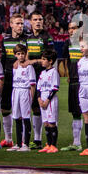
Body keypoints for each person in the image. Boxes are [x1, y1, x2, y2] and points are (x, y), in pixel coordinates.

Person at [23, 11, 54, 150]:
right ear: (30, 22)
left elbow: (49, 58)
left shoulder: (47, 37)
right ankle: (37, 139)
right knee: (35, 107)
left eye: (40, 19)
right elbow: (26, 54)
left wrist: (32, 61)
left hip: (44, 76)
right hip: (30, 75)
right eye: (35, 19)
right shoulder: (28, 38)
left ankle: (50, 141)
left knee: (45, 107)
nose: (38, 22)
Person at [0, 13, 27, 148]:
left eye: (21, 23)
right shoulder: (5, 41)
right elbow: (3, 60)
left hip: (21, 80)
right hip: (8, 77)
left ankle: (22, 139)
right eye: (17, 23)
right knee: (5, 108)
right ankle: (8, 138)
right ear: (11, 25)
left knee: (21, 110)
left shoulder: (27, 40)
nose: (20, 26)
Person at [7, 44, 36, 152]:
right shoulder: (15, 67)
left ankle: (26, 144)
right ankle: (18, 143)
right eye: (18, 54)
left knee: (26, 117)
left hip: (25, 91)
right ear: (15, 55)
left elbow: (33, 84)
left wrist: (31, 98)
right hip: (16, 91)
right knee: (17, 117)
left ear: (25, 54)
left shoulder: (29, 67)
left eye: (22, 53)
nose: (21, 56)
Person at [60, 21, 83, 152]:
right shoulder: (68, 43)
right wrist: (68, 74)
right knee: (75, 112)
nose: (71, 31)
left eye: (74, 28)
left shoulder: (87, 43)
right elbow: (65, 60)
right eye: (69, 28)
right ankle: (77, 142)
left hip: (85, 82)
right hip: (73, 81)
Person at [37, 50, 60, 154]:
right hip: (42, 99)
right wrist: (39, 99)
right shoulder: (42, 73)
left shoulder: (54, 72)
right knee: (45, 123)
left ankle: (53, 145)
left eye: (44, 59)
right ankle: (48, 144)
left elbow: (55, 88)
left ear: (50, 61)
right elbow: (38, 88)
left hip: (50, 100)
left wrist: (47, 100)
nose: (42, 61)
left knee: (51, 123)